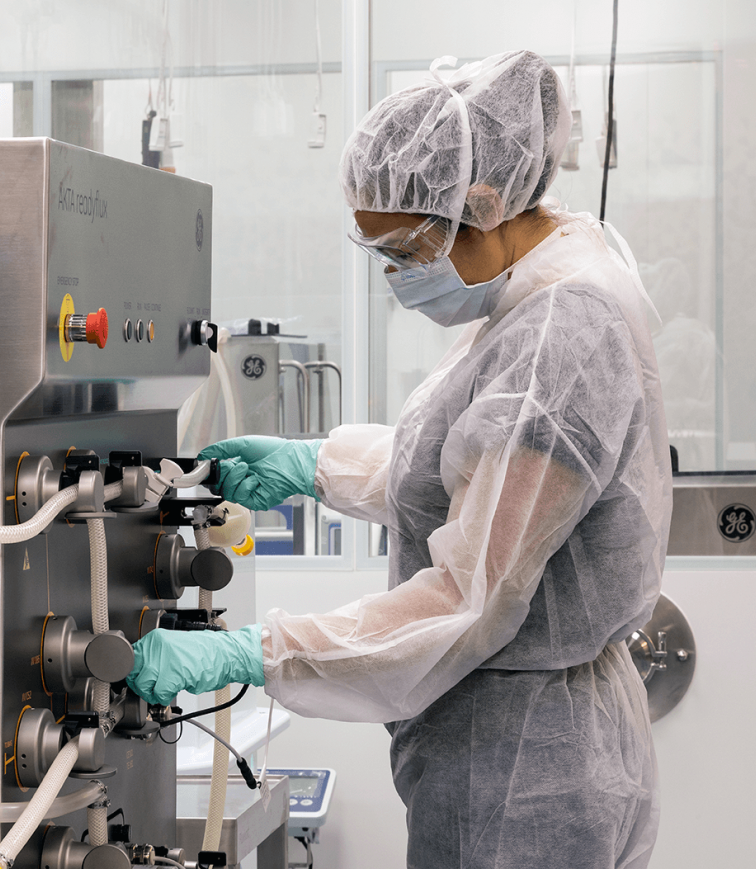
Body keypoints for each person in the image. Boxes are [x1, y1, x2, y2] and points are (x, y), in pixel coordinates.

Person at [128, 50, 670, 869]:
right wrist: (311, 465)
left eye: (409, 253)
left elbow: (467, 595)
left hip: (524, 773)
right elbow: (473, 473)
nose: (398, 278)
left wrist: (260, 653)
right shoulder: (536, 289)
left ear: (482, 204)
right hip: (514, 746)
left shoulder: (564, 331)